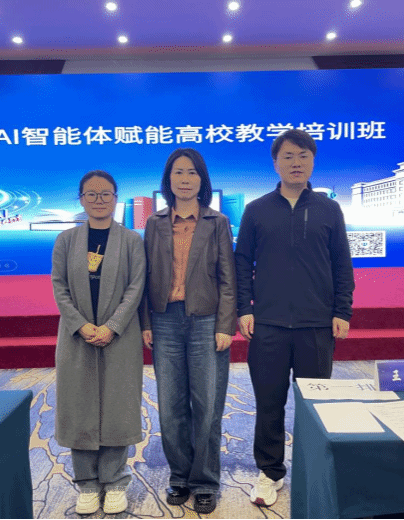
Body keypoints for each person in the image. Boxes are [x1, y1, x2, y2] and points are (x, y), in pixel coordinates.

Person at [235, 129, 355, 507]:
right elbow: (242, 263)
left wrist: (342, 310)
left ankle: (312, 467)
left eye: (303, 155)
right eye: (288, 156)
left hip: (316, 325)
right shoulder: (257, 210)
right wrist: (244, 308)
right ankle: (270, 472)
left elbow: (342, 264)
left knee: (313, 405)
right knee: (269, 404)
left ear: (313, 161)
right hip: (268, 324)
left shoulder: (328, 209)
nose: (296, 162)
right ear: (276, 163)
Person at [140, 148, 236, 515]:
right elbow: (145, 276)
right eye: (178, 172)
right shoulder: (154, 223)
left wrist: (225, 325)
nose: (185, 179)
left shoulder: (217, 222)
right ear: (168, 180)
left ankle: (205, 482)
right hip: (164, 320)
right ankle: (180, 476)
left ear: (202, 180)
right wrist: (146, 323)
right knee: (170, 407)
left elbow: (228, 279)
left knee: (207, 407)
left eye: (192, 172)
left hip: (206, 321)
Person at [51, 170, 146, 516]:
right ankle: (87, 484)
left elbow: (136, 287)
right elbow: (59, 286)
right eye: (91, 194)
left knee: (118, 406)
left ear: (116, 198)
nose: (99, 200)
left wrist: (112, 326)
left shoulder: (132, 240)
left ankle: (115, 480)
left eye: (106, 194)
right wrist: (81, 325)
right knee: (79, 407)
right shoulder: (66, 240)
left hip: (120, 336)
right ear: (81, 199)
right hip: (77, 336)